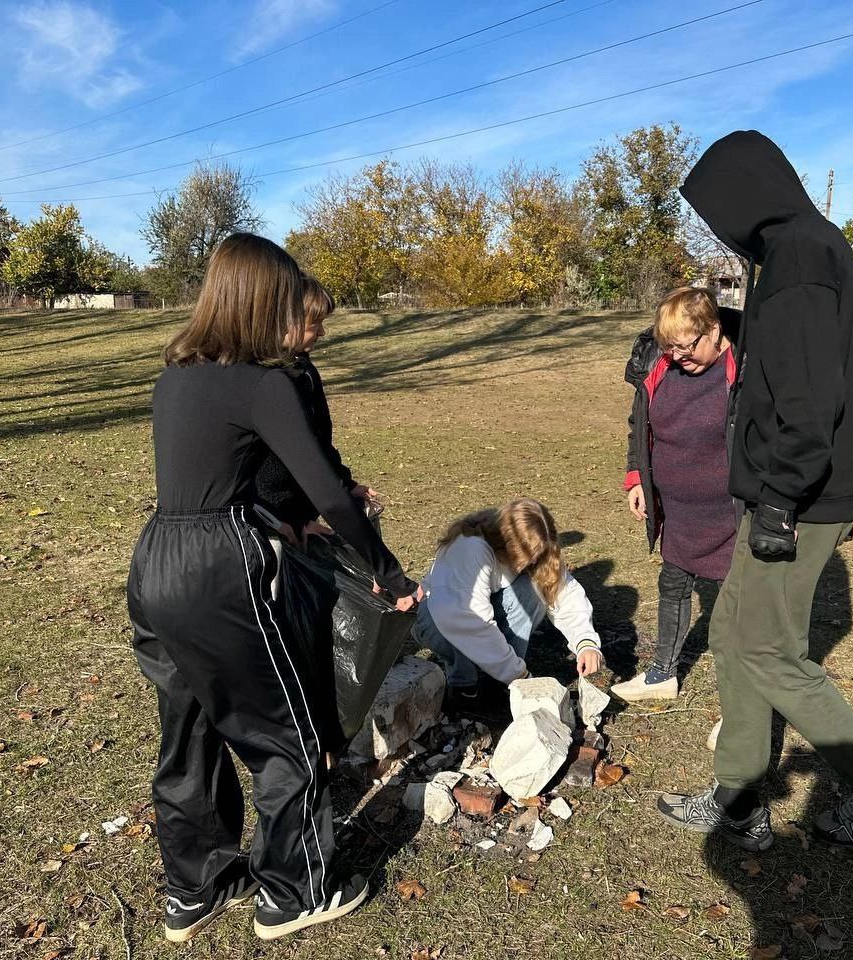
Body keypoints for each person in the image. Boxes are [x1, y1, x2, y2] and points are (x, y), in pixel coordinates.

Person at [126, 233, 420, 943]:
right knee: (285, 732)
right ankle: (292, 893)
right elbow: (332, 493)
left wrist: (286, 522)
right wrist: (385, 567)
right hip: (223, 571)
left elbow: (219, 477)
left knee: (189, 731)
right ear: (262, 300)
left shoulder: (177, 376)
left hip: (155, 561)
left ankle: (195, 887)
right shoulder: (265, 384)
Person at [655, 131, 853, 852]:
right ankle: (738, 799)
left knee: (772, 652)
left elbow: (811, 400)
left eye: (717, 210)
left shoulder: (803, 255)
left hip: (800, 498)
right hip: (780, 493)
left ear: (746, 192)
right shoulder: (786, 256)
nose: (718, 226)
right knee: (730, 635)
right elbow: (781, 353)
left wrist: (779, 498)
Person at [614, 286, 740, 704]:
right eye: (670, 349)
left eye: (686, 346)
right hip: (679, 511)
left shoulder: (744, 370)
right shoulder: (660, 367)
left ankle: (740, 709)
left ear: (714, 330)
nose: (679, 357)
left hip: (730, 514)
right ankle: (661, 674)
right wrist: (637, 478)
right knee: (673, 585)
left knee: (734, 609)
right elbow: (640, 424)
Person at [413, 498, 604, 723]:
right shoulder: (470, 547)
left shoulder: (539, 546)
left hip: (482, 612)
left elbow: (563, 591)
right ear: (504, 541)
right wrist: (519, 675)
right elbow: (470, 621)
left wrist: (586, 642)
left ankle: (498, 681)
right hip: (437, 614)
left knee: (534, 590)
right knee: (445, 621)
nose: (526, 564)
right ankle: (463, 684)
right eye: (523, 558)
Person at [254, 276, 382, 547]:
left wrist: (345, 484)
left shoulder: (305, 370)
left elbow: (320, 440)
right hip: (272, 518)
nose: (322, 332)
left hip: (300, 509)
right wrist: (288, 518)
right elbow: (269, 464)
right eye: (316, 324)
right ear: (285, 322)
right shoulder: (264, 380)